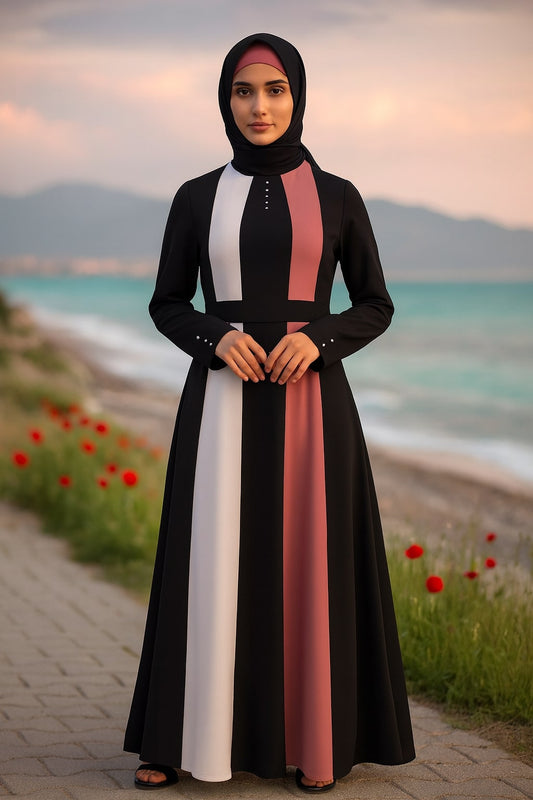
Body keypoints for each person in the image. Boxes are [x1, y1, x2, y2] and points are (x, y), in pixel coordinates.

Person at [124, 32, 415, 792]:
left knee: (309, 564)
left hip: (313, 406)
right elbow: (166, 302)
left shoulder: (338, 196)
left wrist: (318, 339)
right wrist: (213, 338)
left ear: (298, 97)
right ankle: (175, 740)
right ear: (225, 101)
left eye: (275, 90)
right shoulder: (196, 197)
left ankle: (315, 741)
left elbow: (375, 304)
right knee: (205, 558)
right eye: (243, 91)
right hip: (218, 402)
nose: (259, 106)